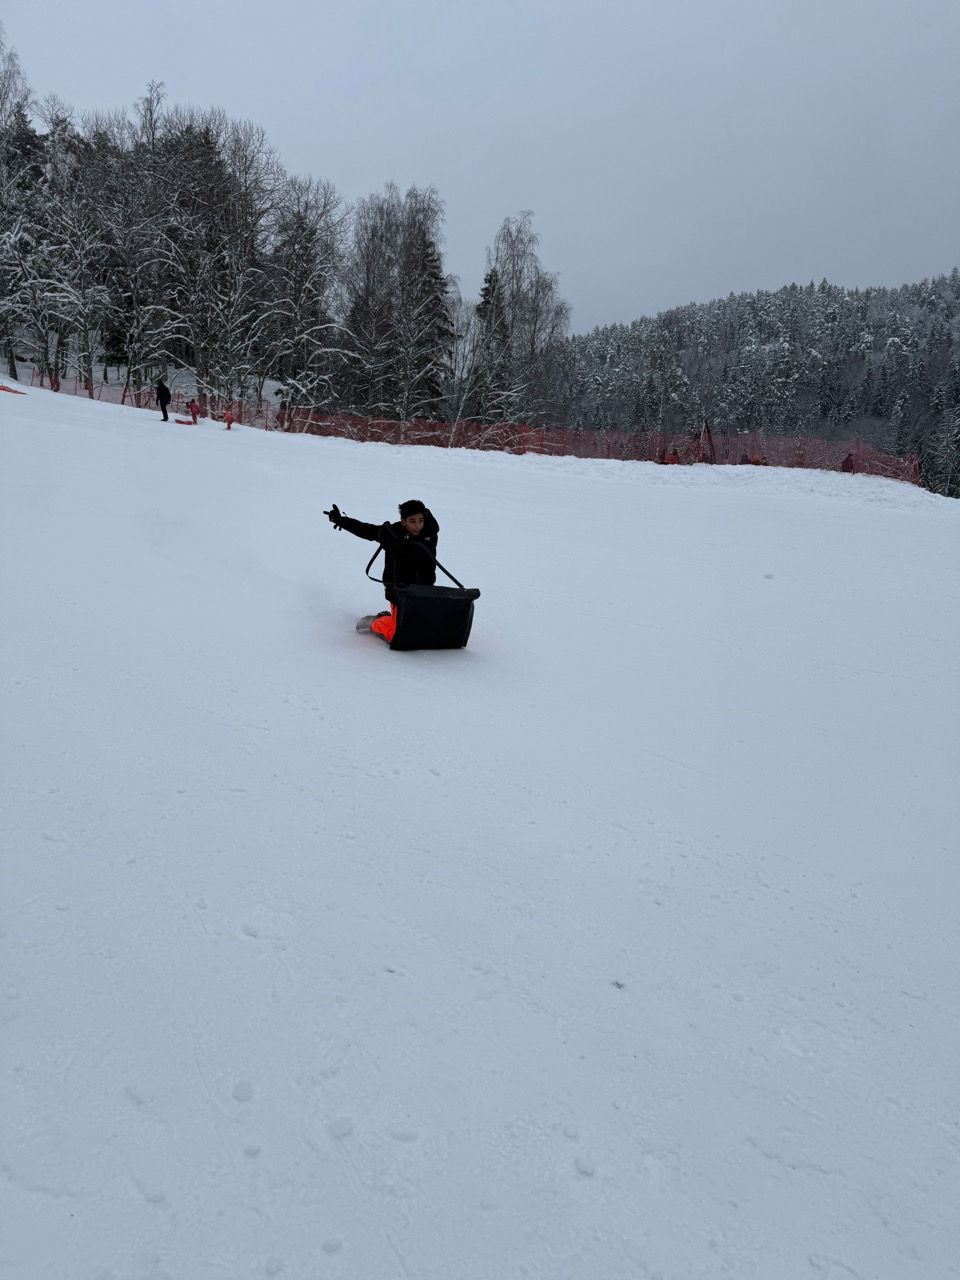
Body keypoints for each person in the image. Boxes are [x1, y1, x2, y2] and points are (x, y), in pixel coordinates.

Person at [325, 499, 439, 642]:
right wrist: (341, 520)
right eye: (412, 521)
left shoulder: (429, 533)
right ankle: (376, 622)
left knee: (427, 630)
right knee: (398, 634)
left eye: (420, 521)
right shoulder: (391, 534)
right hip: (399, 594)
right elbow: (366, 530)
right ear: (403, 521)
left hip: (424, 592)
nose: (418, 526)